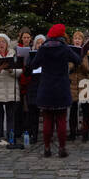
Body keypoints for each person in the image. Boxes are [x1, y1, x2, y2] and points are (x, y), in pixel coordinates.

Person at [31, 23, 83, 158]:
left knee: (47, 119)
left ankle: (47, 148)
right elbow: (77, 60)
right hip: (61, 87)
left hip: (46, 87)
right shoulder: (64, 47)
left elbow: (34, 64)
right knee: (61, 119)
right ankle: (61, 148)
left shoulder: (43, 48)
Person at [68, 31, 89, 140]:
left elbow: (88, 69)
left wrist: (81, 60)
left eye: (79, 38)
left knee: (86, 108)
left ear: (82, 41)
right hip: (72, 83)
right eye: (75, 38)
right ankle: (73, 132)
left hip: (84, 82)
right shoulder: (69, 51)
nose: (77, 40)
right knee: (73, 109)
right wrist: (74, 61)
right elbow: (68, 67)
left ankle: (85, 133)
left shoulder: (87, 53)